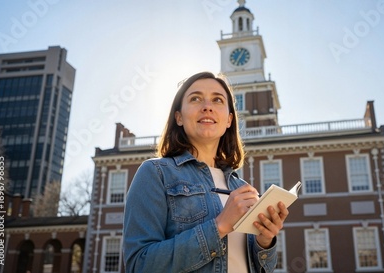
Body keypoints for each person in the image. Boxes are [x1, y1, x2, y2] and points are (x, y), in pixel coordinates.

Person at [123, 71, 289, 273]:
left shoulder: (241, 187)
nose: (207, 106)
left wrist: (264, 242)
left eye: (217, 100)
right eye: (195, 98)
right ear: (179, 117)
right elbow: (139, 265)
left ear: (229, 120)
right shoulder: (155, 173)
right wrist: (219, 226)